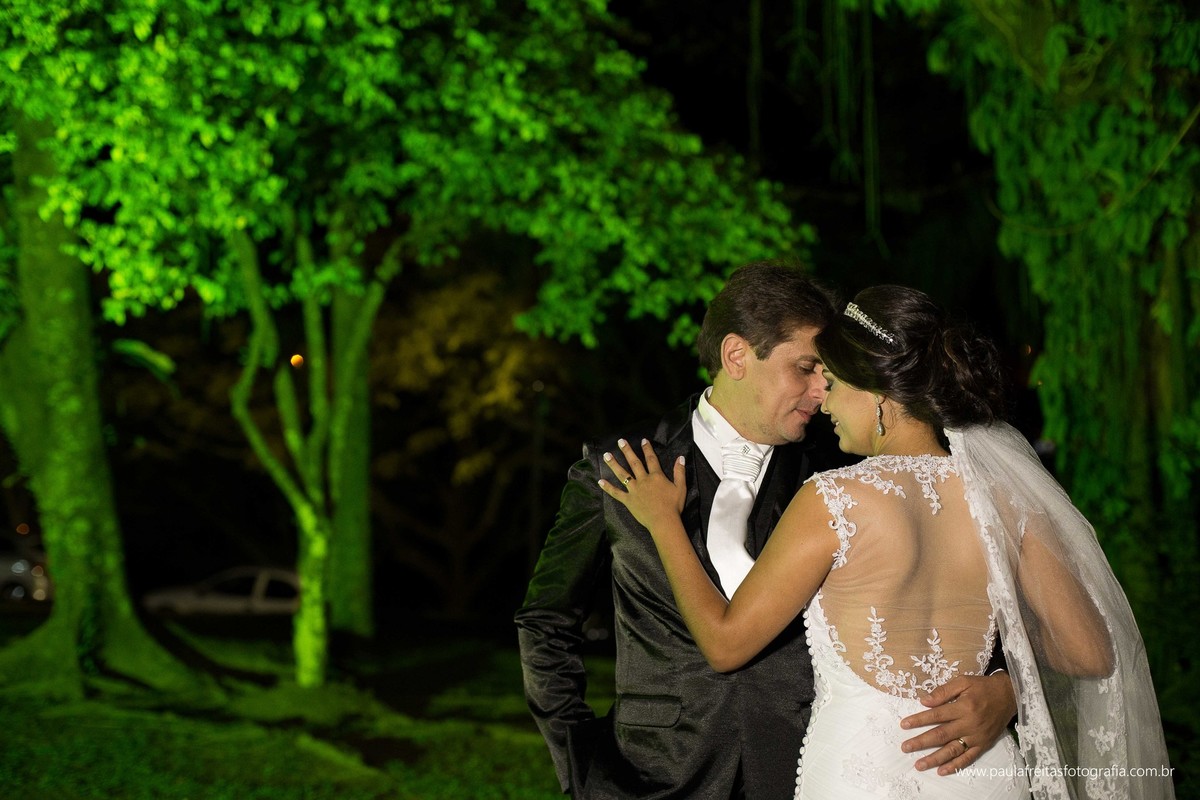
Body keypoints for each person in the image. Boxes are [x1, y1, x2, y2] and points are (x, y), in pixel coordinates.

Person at [600, 285, 1175, 799]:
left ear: (880, 395)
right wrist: (1006, 689)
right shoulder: (1006, 499)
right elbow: (1091, 654)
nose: (822, 398)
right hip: (981, 773)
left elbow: (726, 645)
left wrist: (664, 524)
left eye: (835, 381)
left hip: (861, 775)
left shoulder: (834, 499)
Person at [516, 264, 1017, 800]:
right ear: (737, 356)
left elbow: (955, 600)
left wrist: (1007, 690)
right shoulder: (619, 466)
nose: (822, 389)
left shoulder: (841, 475)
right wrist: (579, 760)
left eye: (828, 373)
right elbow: (546, 621)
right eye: (805, 367)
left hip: (806, 770)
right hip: (650, 777)